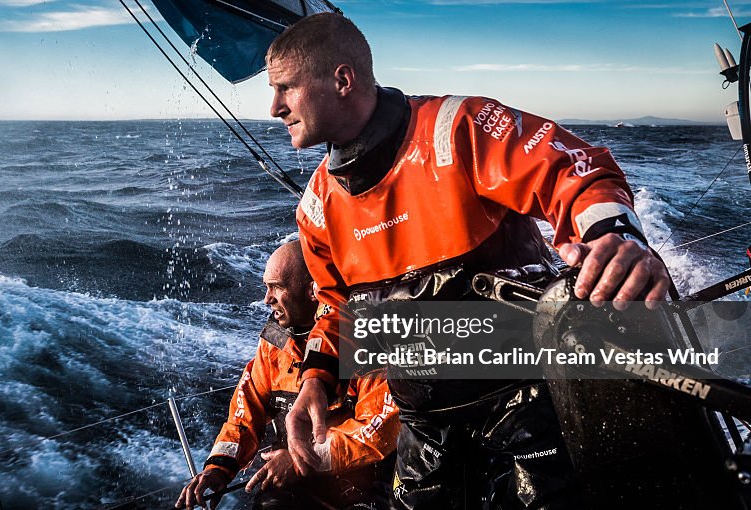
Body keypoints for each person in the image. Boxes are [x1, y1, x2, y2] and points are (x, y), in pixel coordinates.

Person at [265, 12, 671, 509]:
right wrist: (315, 381)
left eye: (285, 88)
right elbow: (337, 308)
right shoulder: (316, 208)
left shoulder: (458, 128)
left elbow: (574, 170)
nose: (273, 107)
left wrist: (619, 238)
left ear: (342, 80)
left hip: (529, 411)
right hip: (424, 428)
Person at [175, 241, 399, 510]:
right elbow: (245, 413)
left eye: (277, 287)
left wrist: (300, 458)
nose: (266, 298)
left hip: (365, 490)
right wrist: (218, 468)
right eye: (266, 287)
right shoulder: (274, 345)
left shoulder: (369, 341)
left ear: (313, 290)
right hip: (293, 486)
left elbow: (378, 431)